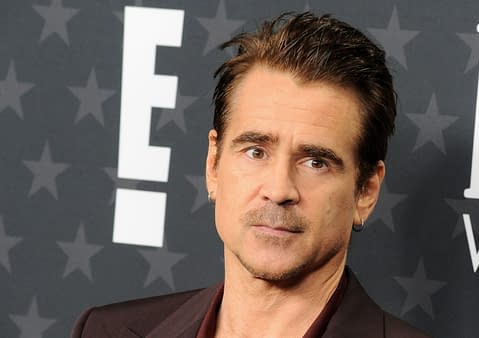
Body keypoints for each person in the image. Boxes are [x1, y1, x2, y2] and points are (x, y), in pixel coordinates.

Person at [72, 12, 429, 338]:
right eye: (256, 152)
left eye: (315, 162)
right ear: (214, 164)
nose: (278, 189)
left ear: (365, 191)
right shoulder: (105, 331)